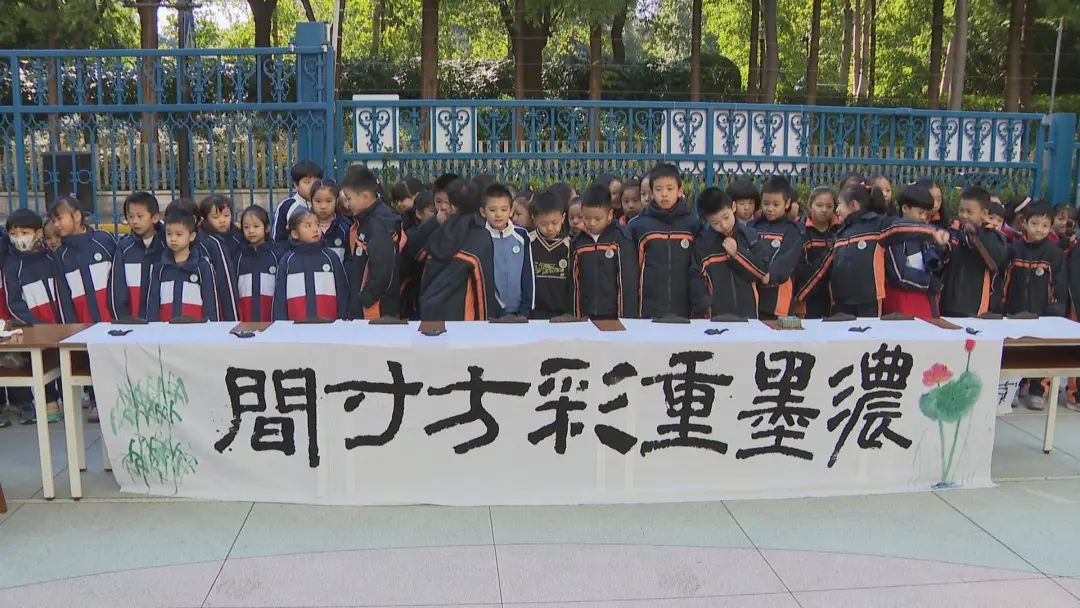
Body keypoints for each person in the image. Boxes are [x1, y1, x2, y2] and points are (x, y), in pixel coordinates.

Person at [797, 185, 947, 317]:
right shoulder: (840, 235)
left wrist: (934, 233)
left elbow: (903, 227)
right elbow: (821, 269)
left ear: (853, 205)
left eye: (840, 204)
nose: (837, 210)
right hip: (841, 304)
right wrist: (800, 294)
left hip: (869, 303)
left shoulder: (877, 226)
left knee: (869, 338)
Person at [1000, 201, 1068, 410]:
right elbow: (1004, 280)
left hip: (1043, 314)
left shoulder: (1054, 254)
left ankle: (1037, 391)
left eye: (1045, 225)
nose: (1039, 229)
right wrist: (1001, 306)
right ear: (1025, 223)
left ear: (1050, 227)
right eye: (1035, 223)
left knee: (1041, 352)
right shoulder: (1013, 250)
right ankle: (1013, 388)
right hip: (1015, 312)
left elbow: (1059, 284)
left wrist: (1055, 311)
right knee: (1015, 352)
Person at [3, 209, 62, 425]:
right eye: (14, 234)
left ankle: (72, 399)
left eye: (25, 232)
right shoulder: (11, 264)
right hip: (34, 324)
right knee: (43, 363)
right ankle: (50, 401)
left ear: (38, 233)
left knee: (65, 361)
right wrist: (34, 323)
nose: (19, 238)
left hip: (60, 320)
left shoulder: (52, 256)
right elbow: (13, 301)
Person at [419, 179, 499, 321]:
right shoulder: (480, 236)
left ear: (452, 206)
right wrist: (486, 322)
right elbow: (482, 287)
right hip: (462, 321)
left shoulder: (438, 232)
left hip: (430, 312)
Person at [628, 163, 698, 318]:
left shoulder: (692, 224)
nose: (664, 194)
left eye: (670, 189)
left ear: (680, 191)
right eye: (659, 189)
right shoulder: (638, 226)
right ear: (652, 193)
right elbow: (631, 270)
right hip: (648, 310)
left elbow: (698, 267)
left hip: (685, 310)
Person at [689, 188, 768, 319]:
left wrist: (737, 254)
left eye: (726, 217)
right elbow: (695, 277)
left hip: (748, 316)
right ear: (707, 221)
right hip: (715, 317)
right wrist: (705, 304)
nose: (724, 225)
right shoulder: (703, 244)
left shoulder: (750, 236)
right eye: (716, 223)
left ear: (733, 207)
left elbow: (762, 272)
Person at [568, 183, 638, 319]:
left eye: (597, 219)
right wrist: (576, 318)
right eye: (587, 218)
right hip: (586, 316)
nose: (592, 223)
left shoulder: (620, 240)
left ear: (610, 214)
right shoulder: (578, 243)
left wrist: (626, 319)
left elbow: (627, 282)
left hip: (614, 316)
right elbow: (574, 284)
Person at [939, 186, 1009, 318]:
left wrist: (974, 237)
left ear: (984, 213)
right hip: (948, 301)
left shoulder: (991, 236)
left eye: (969, 212)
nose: (963, 215)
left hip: (974, 304)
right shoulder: (953, 231)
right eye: (961, 210)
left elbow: (997, 260)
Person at [881, 183, 948, 319]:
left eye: (927, 215)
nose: (924, 218)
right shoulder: (895, 233)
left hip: (925, 300)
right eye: (920, 213)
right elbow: (898, 274)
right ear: (905, 208)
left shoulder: (926, 232)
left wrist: (941, 251)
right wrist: (928, 282)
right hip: (902, 300)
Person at [341, 167, 399, 319]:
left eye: (349, 198)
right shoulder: (365, 220)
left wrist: (366, 298)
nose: (347, 204)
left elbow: (382, 269)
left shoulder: (379, 224)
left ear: (365, 196)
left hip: (375, 309)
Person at [167, 198, 238, 321]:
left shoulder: (212, 245)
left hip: (204, 320)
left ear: (196, 221)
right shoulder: (165, 245)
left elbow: (227, 287)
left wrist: (232, 323)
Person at [273, 209, 349, 321]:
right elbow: (280, 297)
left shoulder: (331, 257)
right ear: (295, 234)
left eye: (317, 225)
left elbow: (342, 291)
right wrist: (281, 324)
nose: (315, 229)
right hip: (296, 326)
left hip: (329, 325)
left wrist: (343, 320)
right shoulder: (287, 261)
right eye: (308, 226)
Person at [51, 196, 116, 324]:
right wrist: (71, 329)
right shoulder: (60, 255)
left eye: (59, 219)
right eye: (53, 221)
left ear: (76, 216)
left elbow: (120, 281)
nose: (56, 225)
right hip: (83, 328)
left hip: (114, 324)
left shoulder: (104, 240)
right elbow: (63, 298)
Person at [145, 211, 221, 322]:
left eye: (179, 234)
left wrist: (211, 328)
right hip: (165, 329)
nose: (173, 239)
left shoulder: (202, 266)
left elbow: (211, 302)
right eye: (169, 234)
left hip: (196, 329)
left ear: (192, 236)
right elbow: (152, 304)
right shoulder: (159, 267)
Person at [749, 175, 806, 319]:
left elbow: (787, 261)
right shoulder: (753, 226)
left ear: (787, 203)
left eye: (776, 204)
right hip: (752, 298)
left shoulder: (793, 230)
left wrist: (768, 276)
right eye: (766, 203)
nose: (770, 209)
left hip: (778, 301)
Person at [481, 183, 534, 318]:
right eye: (492, 210)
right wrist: (498, 309)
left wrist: (525, 310)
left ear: (511, 211)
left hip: (520, 314)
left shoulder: (522, 236)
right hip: (492, 314)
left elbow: (528, 275)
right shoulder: (480, 238)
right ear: (483, 212)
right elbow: (483, 279)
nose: (498, 214)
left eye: (504, 209)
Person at [110, 191, 163, 320]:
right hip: (133, 322)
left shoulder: (166, 245)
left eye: (140, 216)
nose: (134, 221)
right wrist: (124, 319)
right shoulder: (124, 248)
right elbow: (117, 289)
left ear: (155, 218)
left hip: (163, 323)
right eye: (130, 216)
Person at [796, 187, 840, 319]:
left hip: (833, 293)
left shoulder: (839, 230)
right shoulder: (801, 230)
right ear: (810, 206)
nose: (824, 210)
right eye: (819, 205)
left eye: (829, 206)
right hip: (809, 293)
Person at [528, 190, 572, 319]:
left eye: (554, 223)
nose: (550, 228)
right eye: (544, 224)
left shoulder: (569, 245)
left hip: (562, 313)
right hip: (535, 313)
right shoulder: (528, 242)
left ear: (563, 218)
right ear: (534, 219)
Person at [234, 206, 282, 322]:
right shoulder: (238, 257)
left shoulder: (277, 255)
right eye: (246, 227)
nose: (251, 231)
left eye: (256, 226)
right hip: (245, 317)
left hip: (271, 316)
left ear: (267, 228)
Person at [398, 190, 438, 320]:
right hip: (414, 301)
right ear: (419, 214)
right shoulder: (411, 236)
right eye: (434, 212)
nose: (439, 215)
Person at [272, 160, 323, 242]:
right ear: (296, 185)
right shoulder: (287, 206)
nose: (312, 186)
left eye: (316, 182)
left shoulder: (325, 205)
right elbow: (279, 239)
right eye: (307, 182)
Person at [310, 179, 349, 261]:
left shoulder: (345, 227)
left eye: (328, 201)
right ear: (311, 201)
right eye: (318, 201)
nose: (323, 206)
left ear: (336, 201)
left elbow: (350, 259)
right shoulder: (303, 227)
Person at [199, 194, 243, 260]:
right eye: (215, 217)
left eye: (226, 215)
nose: (222, 221)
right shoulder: (202, 241)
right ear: (205, 219)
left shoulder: (238, 236)